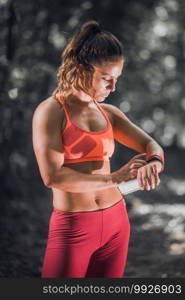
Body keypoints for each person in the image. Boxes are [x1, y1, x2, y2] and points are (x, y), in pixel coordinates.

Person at [32, 20, 164, 278]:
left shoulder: (110, 114)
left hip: (117, 223)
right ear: (81, 69)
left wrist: (154, 163)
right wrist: (115, 177)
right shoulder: (51, 111)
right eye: (106, 79)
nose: (113, 87)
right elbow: (52, 176)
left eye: (117, 79)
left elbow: (152, 145)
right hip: (74, 227)